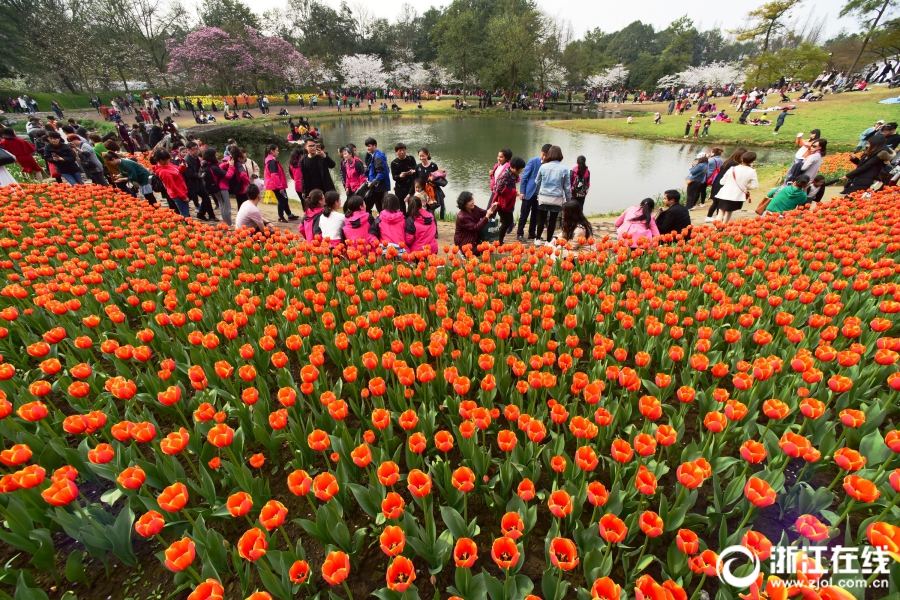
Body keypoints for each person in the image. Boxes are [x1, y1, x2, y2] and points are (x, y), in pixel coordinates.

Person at [532, 146, 571, 245]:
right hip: (556, 198)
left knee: (541, 218)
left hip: (543, 197)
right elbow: (567, 187)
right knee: (552, 220)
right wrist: (568, 200)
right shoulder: (564, 169)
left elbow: (537, 181)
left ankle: (537, 239)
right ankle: (548, 241)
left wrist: (543, 188)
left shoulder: (543, 167)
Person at [713, 151, 758, 223]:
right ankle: (724, 227)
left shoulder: (732, 169)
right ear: (752, 161)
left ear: (742, 159)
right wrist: (745, 186)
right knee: (729, 212)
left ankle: (717, 228)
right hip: (738, 195)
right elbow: (754, 186)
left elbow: (722, 182)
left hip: (725, 193)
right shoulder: (752, 171)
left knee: (721, 212)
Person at [517, 144, 550, 242]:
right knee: (524, 214)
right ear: (541, 152)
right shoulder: (533, 161)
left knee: (535, 215)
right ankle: (519, 233)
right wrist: (522, 191)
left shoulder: (550, 165)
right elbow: (524, 177)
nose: (544, 157)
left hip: (540, 195)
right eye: (542, 154)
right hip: (529, 192)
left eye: (546, 155)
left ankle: (532, 233)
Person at [706, 148, 746, 222]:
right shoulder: (734, 164)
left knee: (716, 202)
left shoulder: (729, 161)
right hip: (723, 183)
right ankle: (717, 218)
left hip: (718, 182)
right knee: (719, 203)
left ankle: (710, 216)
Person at [263, 145, 299, 223]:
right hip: (276, 185)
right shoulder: (272, 162)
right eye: (277, 150)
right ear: (272, 151)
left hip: (277, 184)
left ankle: (289, 215)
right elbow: (274, 175)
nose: (278, 152)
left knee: (285, 199)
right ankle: (281, 217)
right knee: (282, 200)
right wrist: (280, 187)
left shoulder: (271, 160)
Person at [494, 156, 525, 245]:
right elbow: (498, 190)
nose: (520, 171)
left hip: (508, 203)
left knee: (508, 221)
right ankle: (499, 241)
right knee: (506, 222)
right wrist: (513, 192)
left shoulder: (513, 174)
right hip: (502, 203)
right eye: (520, 169)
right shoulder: (505, 175)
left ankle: (499, 238)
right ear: (514, 168)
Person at [152, 148, 191, 217]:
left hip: (182, 189)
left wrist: (182, 166)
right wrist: (184, 197)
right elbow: (172, 186)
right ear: (161, 160)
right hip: (177, 194)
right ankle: (185, 226)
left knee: (186, 212)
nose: (169, 160)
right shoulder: (163, 172)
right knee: (184, 214)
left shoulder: (168, 164)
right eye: (167, 159)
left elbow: (177, 170)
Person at [184, 142, 216, 221]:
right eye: (193, 149)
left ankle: (208, 215)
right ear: (188, 150)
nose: (196, 151)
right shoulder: (187, 160)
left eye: (197, 148)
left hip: (199, 182)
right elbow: (189, 173)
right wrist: (199, 175)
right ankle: (187, 216)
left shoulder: (196, 158)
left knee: (206, 198)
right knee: (190, 199)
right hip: (191, 184)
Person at [202, 148, 232, 225]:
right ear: (212, 156)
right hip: (221, 188)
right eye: (215, 154)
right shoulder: (214, 167)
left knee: (222, 206)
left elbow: (220, 167)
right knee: (226, 207)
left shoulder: (207, 165)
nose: (217, 155)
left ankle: (225, 223)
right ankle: (229, 224)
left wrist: (226, 164)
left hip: (214, 188)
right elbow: (228, 175)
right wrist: (231, 166)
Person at [414, 148, 445, 219]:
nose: (421, 158)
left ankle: (434, 229)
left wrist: (435, 184)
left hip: (431, 194)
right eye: (420, 156)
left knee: (431, 213)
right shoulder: (418, 167)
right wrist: (410, 194)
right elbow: (415, 181)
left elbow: (438, 179)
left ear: (427, 155)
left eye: (423, 156)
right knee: (422, 213)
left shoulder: (433, 166)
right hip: (421, 194)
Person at [363, 138, 391, 213]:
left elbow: (381, 173)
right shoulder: (374, 155)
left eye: (369, 146)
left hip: (379, 187)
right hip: (377, 187)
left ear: (374, 145)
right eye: (366, 146)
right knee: (380, 207)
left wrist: (372, 183)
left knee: (369, 206)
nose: (367, 148)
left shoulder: (378, 156)